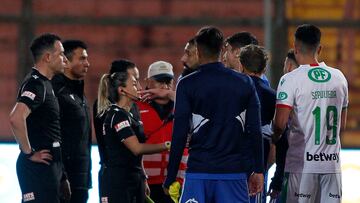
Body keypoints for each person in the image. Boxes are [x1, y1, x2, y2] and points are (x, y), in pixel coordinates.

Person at [164, 26, 264, 203]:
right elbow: (254, 130)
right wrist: (259, 170)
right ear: (222, 49)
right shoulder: (244, 82)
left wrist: (171, 176)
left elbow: (179, 134)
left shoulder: (187, 84)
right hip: (233, 173)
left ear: (199, 51)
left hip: (198, 172)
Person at [272, 24, 348, 203]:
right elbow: (341, 126)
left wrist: (274, 138)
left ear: (295, 48)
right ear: (319, 48)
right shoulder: (339, 77)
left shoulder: (290, 79)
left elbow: (279, 124)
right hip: (331, 166)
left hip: (301, 165)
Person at [9, 33, 70, 203]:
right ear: (48, 57)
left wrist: (62, 175)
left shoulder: (45, 84)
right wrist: (28, 153)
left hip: (51, 166)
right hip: (38, 168)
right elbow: (16, 117)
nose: (65, 59)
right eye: (61, 54)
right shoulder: (36, 84)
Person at [97, 64, 170, 203]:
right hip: (118, 182)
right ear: (122, 90)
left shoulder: (130, 114)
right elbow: (137, 148)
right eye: (135, 84)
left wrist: (142, 176)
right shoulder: (116, 115)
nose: (140, 89)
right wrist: (168, 145)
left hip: (133, 178)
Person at [136, 61, 188, 203]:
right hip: (146, 182)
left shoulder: (183, 105)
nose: (164, 86)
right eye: (159, 82)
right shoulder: (135, 105)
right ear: (147, 82)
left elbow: (200, 106)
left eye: (168, 82)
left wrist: (171, 94)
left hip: (177, 184)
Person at [92, 59, 142, 202]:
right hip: (116, 178)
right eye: (133, 81)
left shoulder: (133, 106)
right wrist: (167, 145)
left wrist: (142, 175)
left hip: (133, 175)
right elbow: (128, 145)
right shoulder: (107, 108)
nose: (138, 86)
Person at [52, 40, 92, 203]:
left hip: (81, 181)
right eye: (82, 59)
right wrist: (62, 176)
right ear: (66, 62)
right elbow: (52, 134)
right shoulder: (55, 91)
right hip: (63, 180)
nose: (87, 64)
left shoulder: (80, 95)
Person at [239, 44, 276, 203]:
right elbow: (279, 132)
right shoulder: (272, 95)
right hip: (259, 160)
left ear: (241, 65)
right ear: (264, 68)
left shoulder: (233, 89)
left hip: (233, 156)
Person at [268, 49, 299, 202]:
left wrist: (274, 135)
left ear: (289, 67)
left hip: (290, 174)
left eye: (286, 65)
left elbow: (279, 127)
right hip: (317, 171)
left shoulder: (287, 86)